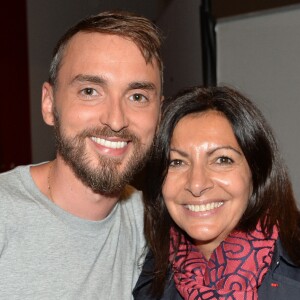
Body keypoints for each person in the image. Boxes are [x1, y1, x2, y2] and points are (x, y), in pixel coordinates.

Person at [0, 10, 163, 299]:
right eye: (90, 91)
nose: (115, 120)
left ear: (159, 114)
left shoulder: (154, 225)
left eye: (137, 97)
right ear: (50, 105)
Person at [133, 86, 300, 300]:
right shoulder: (145, 280)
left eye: (222, 160)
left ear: (257, 172)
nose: (196, 184)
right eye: (177, 162)